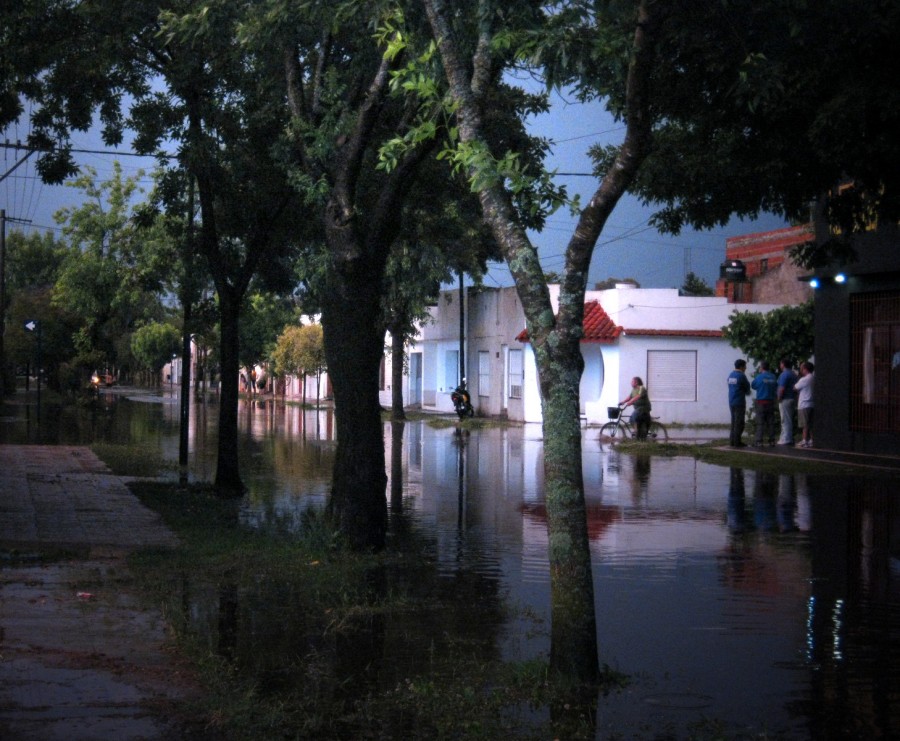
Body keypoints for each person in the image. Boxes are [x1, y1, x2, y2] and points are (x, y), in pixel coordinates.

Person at [751, 361, 778, 446]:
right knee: (771, 422)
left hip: (761, 402)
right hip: (771, 402)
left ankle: (759, 441)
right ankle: (772, 440)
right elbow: (776, 386)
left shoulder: (759, 377)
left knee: (760, 422)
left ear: (761, 368)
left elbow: (753, 386)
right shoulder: (773, 377)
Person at [727, 359, 751, 447]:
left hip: (731, 401)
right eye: (745, 366)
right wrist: (746, 392)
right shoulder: (741, 376)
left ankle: (732, 441)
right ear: (741, 367)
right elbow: (747, 388)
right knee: (739, 422)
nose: (746, 368)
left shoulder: (731, 375)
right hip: (739, 401)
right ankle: (737, 442)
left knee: (733, 421)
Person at [620, 376, 651, 440]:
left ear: (636, 382)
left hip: (643, 408)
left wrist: (630, 402)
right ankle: (637, 431)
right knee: (631, 419)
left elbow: (638, 396)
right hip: (637, 408)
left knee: (635, 416)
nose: (631, 383)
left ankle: (639, 433)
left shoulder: (641, 388)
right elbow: (630, 397)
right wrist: (623, 402)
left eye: (632, 381)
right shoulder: (633, 390)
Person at [776, 358, 798, 445]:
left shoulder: (784, 374)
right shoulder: (794, 374)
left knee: (785, 420)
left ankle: (786, 439)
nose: (780, 365)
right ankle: (786, 437)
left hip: (785, 399)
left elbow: (782, 388)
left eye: (781, 364)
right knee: (789, 419)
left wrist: (779, 397)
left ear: (783, 364)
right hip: (792, 398)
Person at [794, 361, 815, 447]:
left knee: (805, 424)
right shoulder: (814, 378)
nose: (801, 370)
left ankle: (804, 440)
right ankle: (812, 440)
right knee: (811, 424)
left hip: (804, 404)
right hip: (812, 404)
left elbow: (795, 388)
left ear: (805, 369)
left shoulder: (804, 379)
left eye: (802, 368)